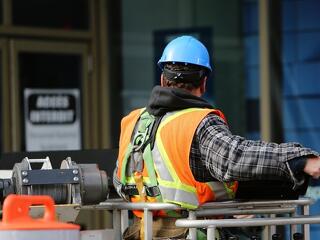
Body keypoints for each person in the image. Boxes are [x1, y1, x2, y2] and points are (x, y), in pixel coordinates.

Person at [113, 35, 320, 240]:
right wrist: (299, 159)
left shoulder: (133, 122)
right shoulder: (199, 122)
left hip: (144, 232)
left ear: (162, 79)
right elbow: (234, 158)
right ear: (204, 83)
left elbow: (120, 180)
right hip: (191, 232)